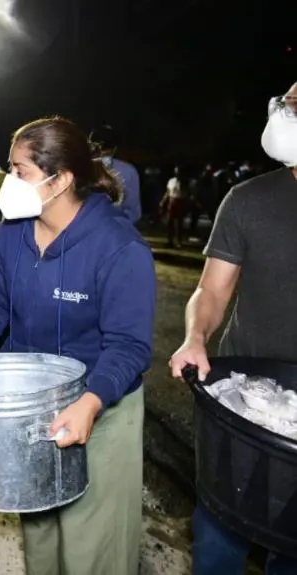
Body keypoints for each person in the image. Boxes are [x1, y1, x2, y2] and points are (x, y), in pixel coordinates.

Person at [0, 117, 156, 575]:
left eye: (20, 171)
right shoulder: (13, 232)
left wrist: (91, 402)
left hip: (101, 409)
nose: (8, 181)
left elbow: (129, 345)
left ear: (61, 179)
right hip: (34, 406)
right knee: (40, 532)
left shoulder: (118, 246)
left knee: (93, 549)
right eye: (9, 168)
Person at [169, 83, 297, 575]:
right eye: (285, 102)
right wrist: (195, 337)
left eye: (293, 106)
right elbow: (213, 290)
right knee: (219, 540)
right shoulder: (247, 200)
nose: (282, 112)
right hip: (248, 405)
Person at [91, 125, 142, 223]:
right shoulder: (129, 171)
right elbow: (134, 213)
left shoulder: (77, 169)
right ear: (115, 148)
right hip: (117, 228)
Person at [160, 166, 187, 247]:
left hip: (180, 201)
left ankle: (178, 241)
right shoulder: (171, 181)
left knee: (178, 223)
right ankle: (170, 240)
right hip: (172, 201)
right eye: (176, 171)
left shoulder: (185, 182)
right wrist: (163, 201)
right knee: (170, 221)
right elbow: (168, 192)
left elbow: (187, 193)